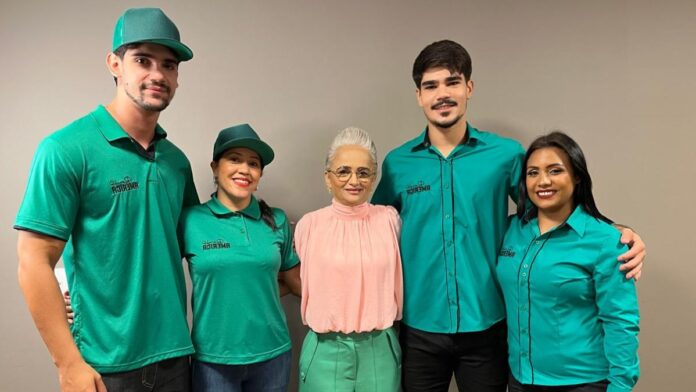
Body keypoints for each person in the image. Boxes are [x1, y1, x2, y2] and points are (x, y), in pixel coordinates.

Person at [371, 39, 646, 391]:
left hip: (487, 327)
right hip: (419, 328)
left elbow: (552, 209)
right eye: (431, 85)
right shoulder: (398, 164)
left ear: (469, 87)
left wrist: (619, 233)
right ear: (418, 95)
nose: (442, 94)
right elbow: (373, 227)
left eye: (452, 82)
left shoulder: (505, 155)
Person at [15, 8, 197, 392]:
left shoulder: (176, 162)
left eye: (169, 65)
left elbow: (194, 246)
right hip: (104, 367)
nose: (157, 75)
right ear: (114, 63)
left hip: (176, 360)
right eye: (142, 60)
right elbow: (33, 258)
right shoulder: (65, 149)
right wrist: (68, 364)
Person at [497, 131, 639, 391]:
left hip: (582, 383)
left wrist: (620, 386)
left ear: (576, 176)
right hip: (520, 380)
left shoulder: (605, 241)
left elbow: (621, 322)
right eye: (533, 173)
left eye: (555, 171)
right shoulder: (510, 231)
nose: (543, 181)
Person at [179, 124, 301, 392]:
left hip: (273, 354)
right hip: (213, 359)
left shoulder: (277, 220)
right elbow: (156, 272)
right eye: (234, 159)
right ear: (215, 166)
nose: (244, 170)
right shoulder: (190, 220)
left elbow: (294, 281)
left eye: (253, 163)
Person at [294, 127, 403, 392]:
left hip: (379, 350)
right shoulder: (309, 225)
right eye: (343, 171)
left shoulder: (390, 220)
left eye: (363, 172)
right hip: (324, 351)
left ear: (374, 178)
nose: (354, 180)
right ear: (327, 178)